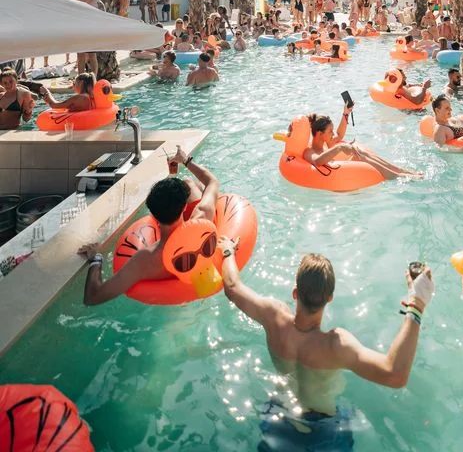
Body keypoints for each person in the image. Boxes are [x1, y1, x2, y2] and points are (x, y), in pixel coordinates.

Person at [220, 250, 434, 434]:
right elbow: (394, 374)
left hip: (279, 415)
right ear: (330, 298)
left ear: (295, 293)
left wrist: (228, 251)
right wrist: (416, 304)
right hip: (322, 427)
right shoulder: (336, 346)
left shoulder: (273, 317)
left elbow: (232, 286)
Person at [78, 147, 219, 304]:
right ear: (185, 207)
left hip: (169, 302)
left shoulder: (145, 260)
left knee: (190, 185)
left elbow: (92, 297)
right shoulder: (203, 215)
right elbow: (211, 181)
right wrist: (185, 160)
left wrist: (96, 258)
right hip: (204, 281)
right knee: (194, 185)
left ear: (153, 215)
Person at [304, 106, 423, 180]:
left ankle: (401, 171)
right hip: (338, 179)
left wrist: (346, 112)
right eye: (330, 131)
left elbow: (339, 135)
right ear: (319, 134)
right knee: (358, 156)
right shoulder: (309, 151)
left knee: (359, 151)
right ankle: (397, 176)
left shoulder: (326, 144)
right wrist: (339, 147)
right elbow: (317, 161)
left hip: (342, 171)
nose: (332, 133)